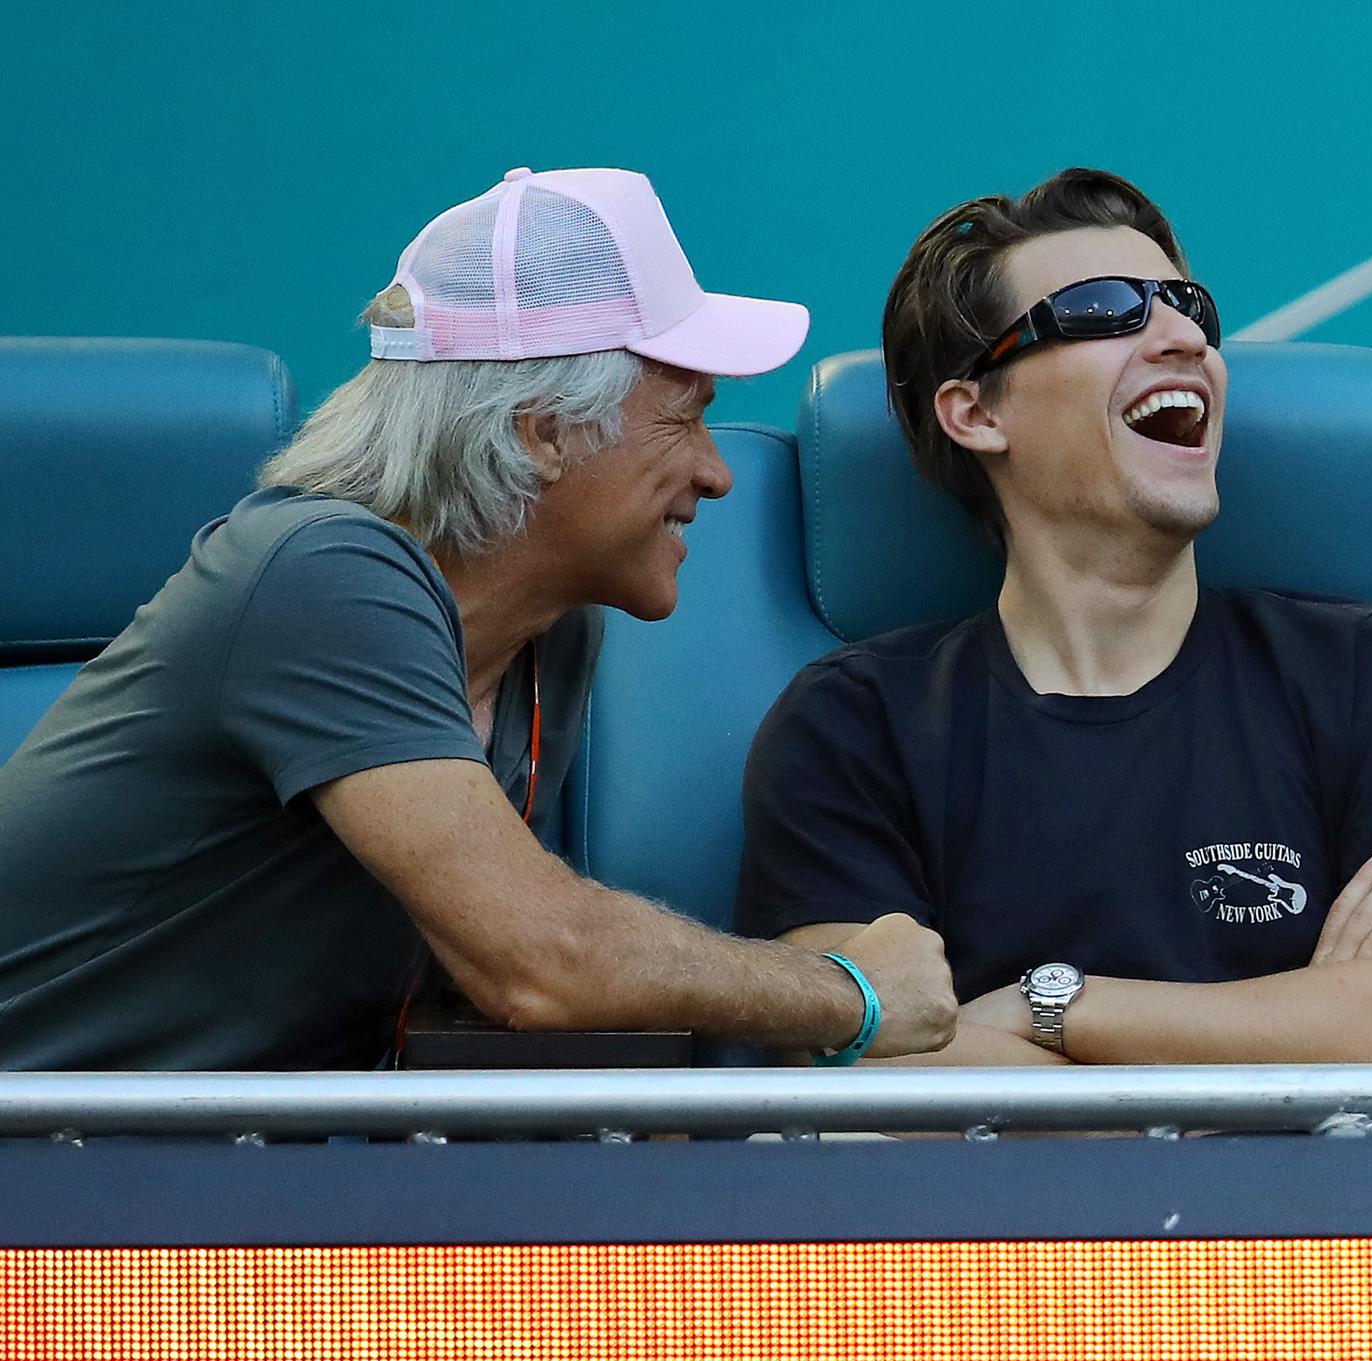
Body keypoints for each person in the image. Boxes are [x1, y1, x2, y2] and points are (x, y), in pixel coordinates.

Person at [0, 167, 954, 1071]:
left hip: (228, 1174)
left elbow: (477, 992)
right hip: (51, 1173)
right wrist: (851, 994)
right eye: (685, 418)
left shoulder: (552, 628)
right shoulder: (323, 573)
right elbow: (538, 963)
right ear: (542, 432)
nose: (718, 472)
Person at [736, 169, 1372, 1072]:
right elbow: (875, 1082)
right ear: (975, 412)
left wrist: (1044, 1007)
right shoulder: (850, 726)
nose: (1183, 338)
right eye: (1104, 310)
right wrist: (1307, 1041)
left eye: (1189, 307)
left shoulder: (1368, 672)